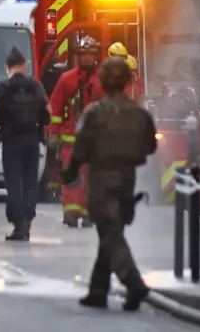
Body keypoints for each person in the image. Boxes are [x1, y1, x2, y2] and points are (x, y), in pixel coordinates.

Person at [67, 56, 157, 312]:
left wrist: (70, 172)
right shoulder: (140, 114)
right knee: (111, 229)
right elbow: (151, 146)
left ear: (104, 81)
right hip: (128, 179)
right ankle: (98, 290)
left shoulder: (94, 113)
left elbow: (80, 149)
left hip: (102, 179)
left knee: (110, 233)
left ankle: (133, 282)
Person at [0, 46, 50, 241]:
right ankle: (27, 222)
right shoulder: (36, 85)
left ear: (7, 67)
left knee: (14, 182)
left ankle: (18, 224)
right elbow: (49, 110)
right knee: (30, 181)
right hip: (32, 139)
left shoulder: (2, 87)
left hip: (11, 139)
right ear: (25, 65)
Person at [47, 36, 102, 227]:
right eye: (84, 54)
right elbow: (56, 107)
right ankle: (71, 212)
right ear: (78, 55)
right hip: (70, 138)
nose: (87, 58)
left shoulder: (103, 80)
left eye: (90, 54)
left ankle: (88, 214)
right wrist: (54, 133)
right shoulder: (67, 79)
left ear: (96, 55)